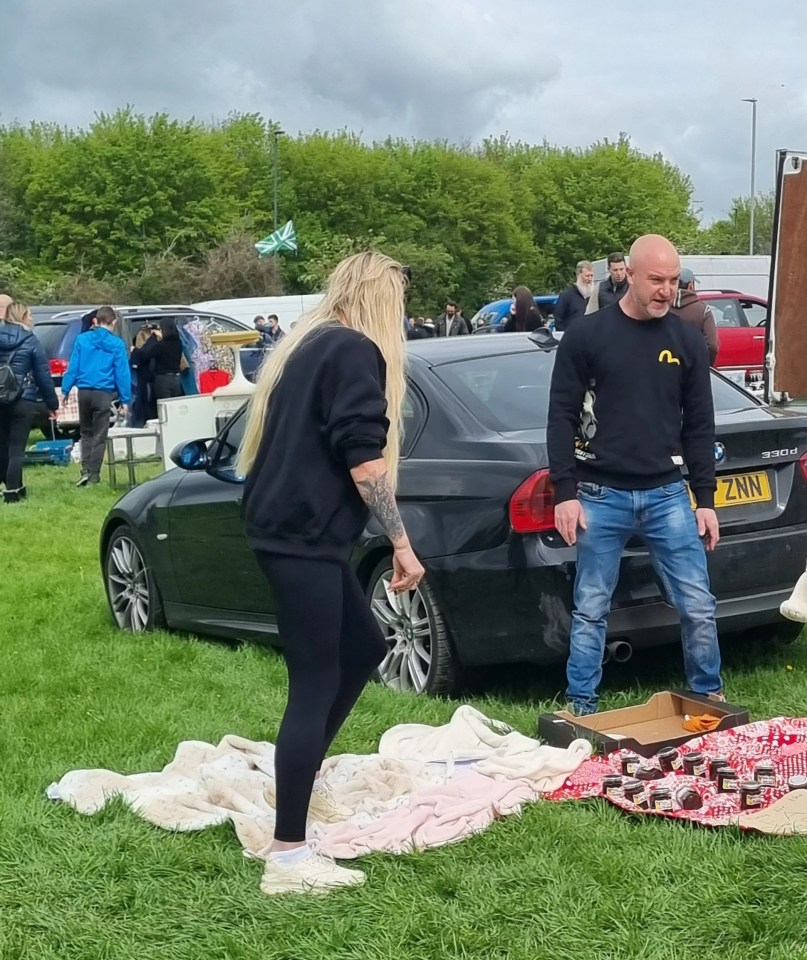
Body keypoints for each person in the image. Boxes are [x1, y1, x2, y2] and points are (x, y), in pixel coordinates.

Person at [237, 252, 424, 895]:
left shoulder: (308, 344)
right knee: (314, 682)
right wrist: (401, 544)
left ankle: (303, 779)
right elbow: (364, 461)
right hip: (302, 537)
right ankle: (288, 854)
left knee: (365, 648)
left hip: (292, 531)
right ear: (381, 301)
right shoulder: (351, 350)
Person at [547, 234, 723, 716]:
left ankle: (709, 698)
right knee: (591, 608)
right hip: (599, 495)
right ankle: (582, 708)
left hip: (668, 495)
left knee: (698, 603)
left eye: (673, 281)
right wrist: (565, 491)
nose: (668, 290)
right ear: (629, 274)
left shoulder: (686, 338)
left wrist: (703, 499)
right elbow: (561, 414)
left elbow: (700, 425)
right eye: (657, 280)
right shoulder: (587, 336)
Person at [61, 305, 131, 486]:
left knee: (85, 432)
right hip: (103, 393)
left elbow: (73, 366)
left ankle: (84, 470)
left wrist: (66, 389)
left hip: (84, 392)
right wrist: (125, 399)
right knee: (100, 435)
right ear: (114, 322)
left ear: (95, 321)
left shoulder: (82, 340)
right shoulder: (117, 344)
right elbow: (122, 373)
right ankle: (93, 475)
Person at [0, 301, 59, 503]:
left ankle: (7, 484)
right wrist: (52, 404)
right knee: (16, 449)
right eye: (30, 315)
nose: (32, 319)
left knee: (3, 445)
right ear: (23, 317)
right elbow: (43, 376)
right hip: (23, 398)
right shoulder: (31, 340)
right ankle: (14, 492)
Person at [673, 268, 719, 365]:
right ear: (690, 285)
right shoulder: (703, 310)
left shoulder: (662, 308)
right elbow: (712, 345)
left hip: (667, 367)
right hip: (694, 368)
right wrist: (706, 366)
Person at [135, 316, 184, 401]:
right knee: (175, 405)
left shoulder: (161, 345)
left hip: (163, 380)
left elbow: (145, 356)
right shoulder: (178, 343)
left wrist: (135, 350)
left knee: (164, 406)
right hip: (177, 379)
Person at [554, 261, 594, 332]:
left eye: (592, 276)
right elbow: (558, 320)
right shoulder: (566, 295)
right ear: (578, 275)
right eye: (587, 276)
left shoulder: (594, 295)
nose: (590, 279)